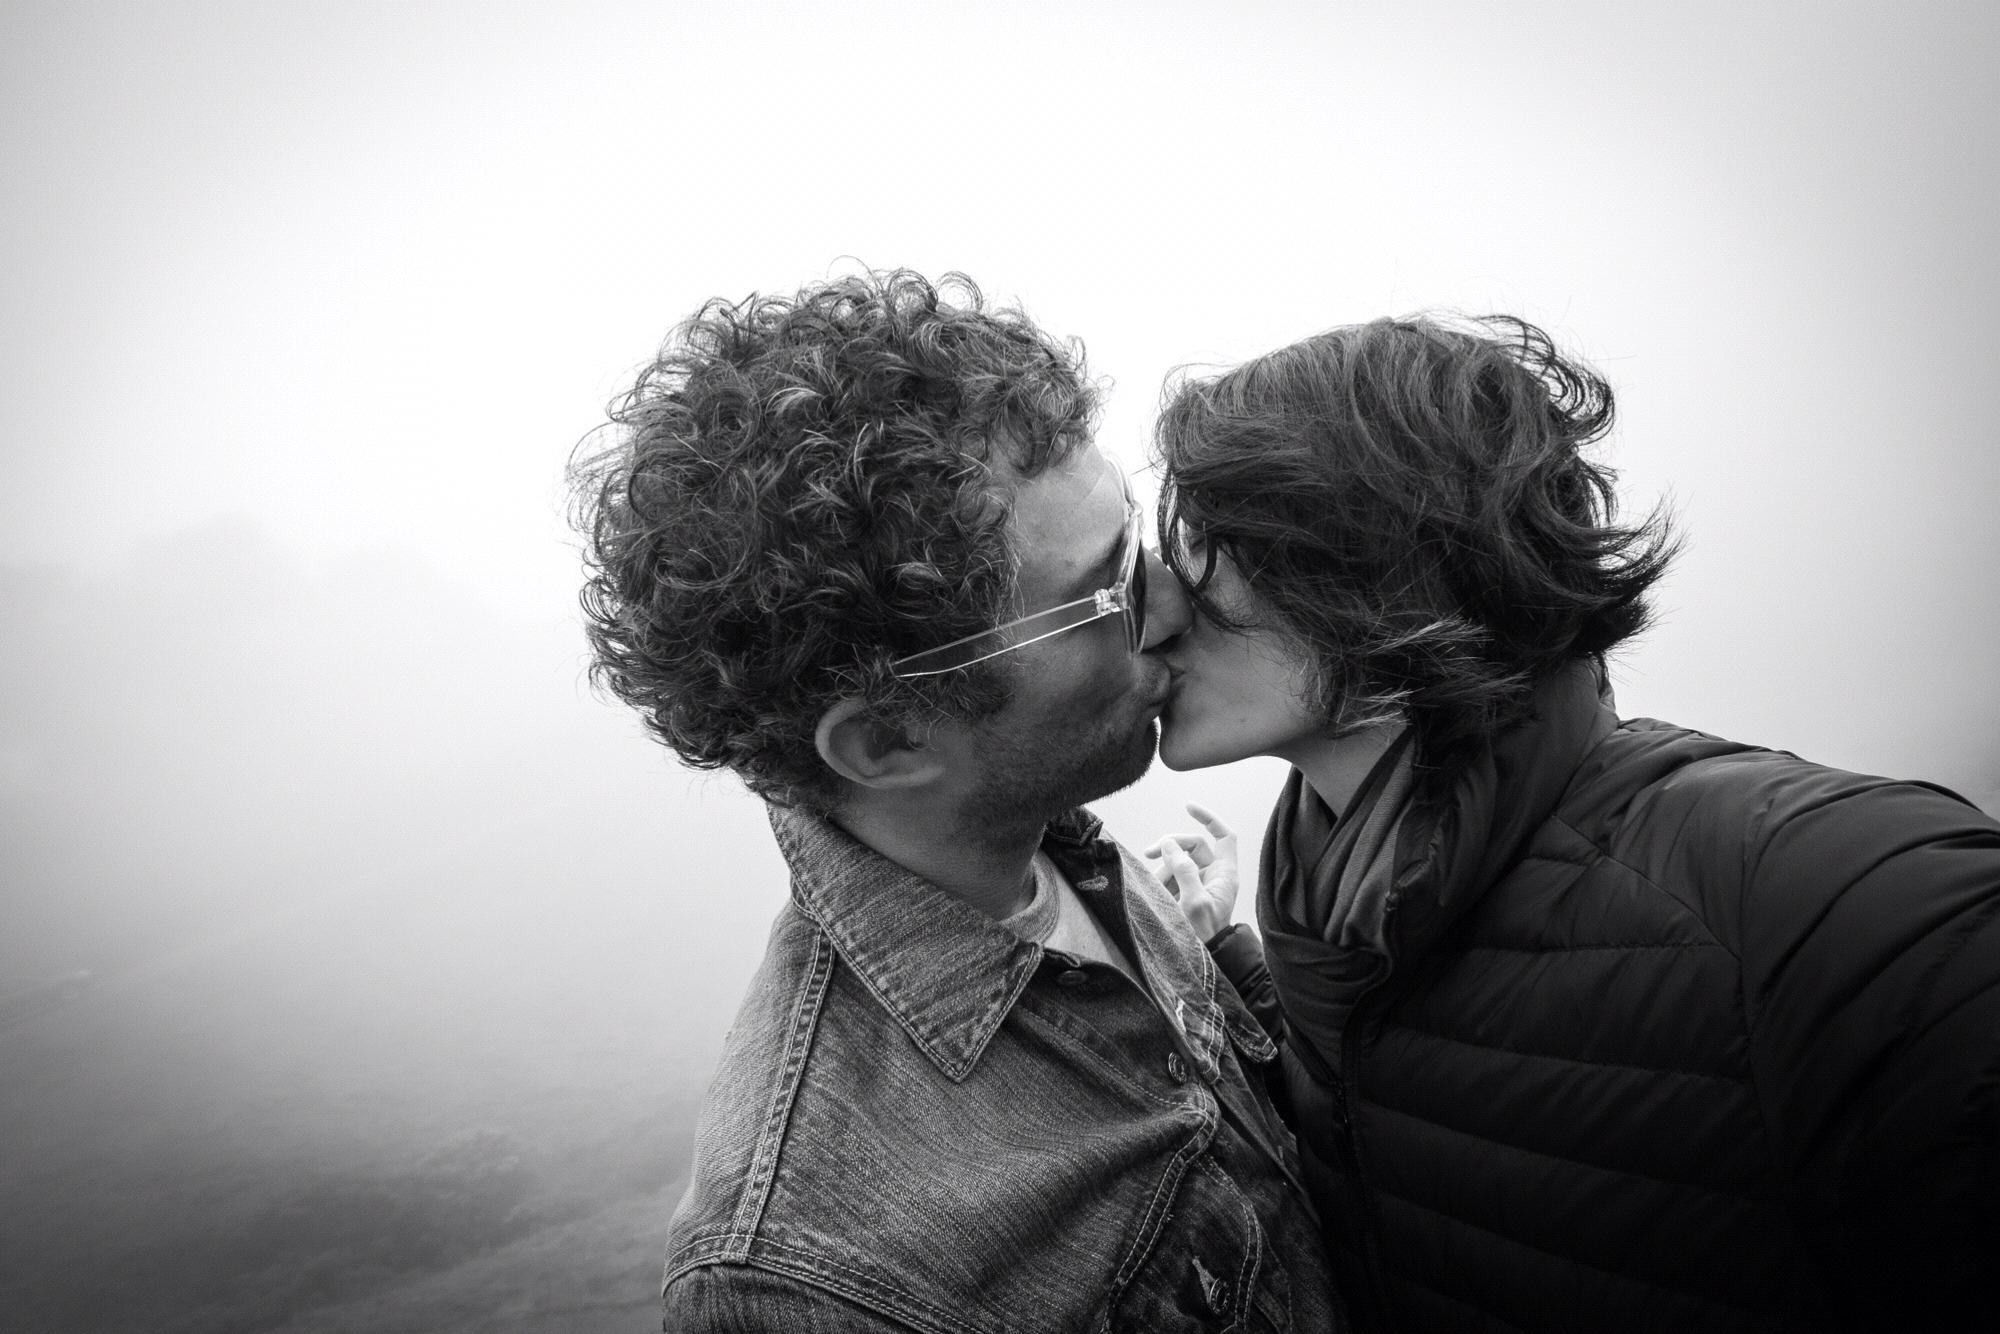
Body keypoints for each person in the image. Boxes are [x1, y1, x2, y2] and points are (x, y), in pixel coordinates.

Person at [1141, 314, 2000, 1334]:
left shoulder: (1835, 895)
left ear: (1364, 559)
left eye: (1205, 552)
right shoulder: (1335, 918)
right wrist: (1227, 959)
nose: (1153, 613)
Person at [570, 270, 1345, 1332]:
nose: (1176, 602)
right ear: (890, 737)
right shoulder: (807, 1270)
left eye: (1141, 537)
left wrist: (1219, 957)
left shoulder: (1055, 852)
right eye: (1106, 591)